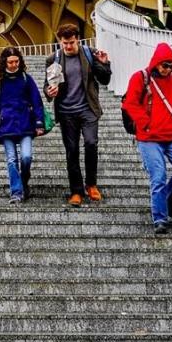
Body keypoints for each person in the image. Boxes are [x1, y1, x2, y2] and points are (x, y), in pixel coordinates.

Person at [122, 42, 172, 234]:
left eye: (171, 66)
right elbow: (130, 104)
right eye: (164, 65)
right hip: (149, 137)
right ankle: (160, 218)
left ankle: (167, 200)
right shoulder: (140, 77)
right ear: (156, 62)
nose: (167, 69)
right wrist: (145, 122)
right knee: (158, 177)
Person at [43, 22, 113, 207]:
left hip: (87, 108)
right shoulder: (54, 59)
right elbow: (47, 85)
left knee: (91, 143)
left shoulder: (90, 54)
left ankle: (91, 184)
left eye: (71, 43)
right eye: (64, 43)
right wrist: (49, 92)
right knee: (71, 151)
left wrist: (105, 64)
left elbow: (104, 79)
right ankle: (76, 190)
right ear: (60, 41)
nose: (67, 47)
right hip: (66, 112)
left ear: (78, 40)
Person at [0, 47, 46, 203]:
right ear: (4, 62)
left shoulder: (26, 78)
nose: (13, 65)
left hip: (25, 123)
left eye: (16, 61)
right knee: (11, 160)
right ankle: (16, 192)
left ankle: (24, 181)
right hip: (6, 125)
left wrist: (39, 123)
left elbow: (37, 102)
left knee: (26, 157)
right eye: (10, 62)